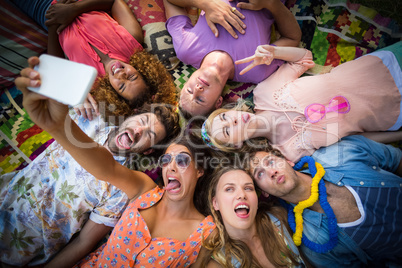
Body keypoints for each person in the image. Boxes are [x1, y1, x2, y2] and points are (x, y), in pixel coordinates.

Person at [14, 60, 215, 267]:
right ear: (133, 116)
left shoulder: (125, 190)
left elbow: (85, 241)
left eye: (150, 135)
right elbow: (54, 77)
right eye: (166, 160)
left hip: (25, 243)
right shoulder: (89, 115)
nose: (171, 167)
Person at [202, 41, 402, 162]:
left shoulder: (264, 92)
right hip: (392, 113)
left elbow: (304, 58)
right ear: (236, 145)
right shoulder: (291, 152)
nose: (233, 121)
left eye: (225, 117)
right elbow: (356, 142)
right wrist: (399, 135)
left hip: (383, 66)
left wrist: (275, 52)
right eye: (227, 130)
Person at [248, 135, 402, 267]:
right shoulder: (315, 243)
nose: (272, 172)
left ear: (288, 161)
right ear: (265, 193)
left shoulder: (339, 153)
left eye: (270, 162)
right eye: (260, 174)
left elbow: (396, 159)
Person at [13, 0, 177, 120]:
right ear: (141, 71)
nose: (121, 74)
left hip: (44, 10)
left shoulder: (90, 82)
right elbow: (113, 2)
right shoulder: (133, 42)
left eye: (121, 85)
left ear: (113, 91)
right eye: (132, 76)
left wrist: (54, 24)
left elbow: (53, 63)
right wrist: (74, 9)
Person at [164, 0, 301, 118]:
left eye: (189, 90)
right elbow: (292, 38)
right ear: (218, 102)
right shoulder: (256, 70)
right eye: (200, 99)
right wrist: (271, 3)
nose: (198, 89)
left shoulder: (186, 50)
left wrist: (205, 3)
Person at [201, 166, 304, 267]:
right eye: (229, 189)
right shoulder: (218, 263)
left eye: (248, 188)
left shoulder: (280, 219)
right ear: (215, 203)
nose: (242, 194)